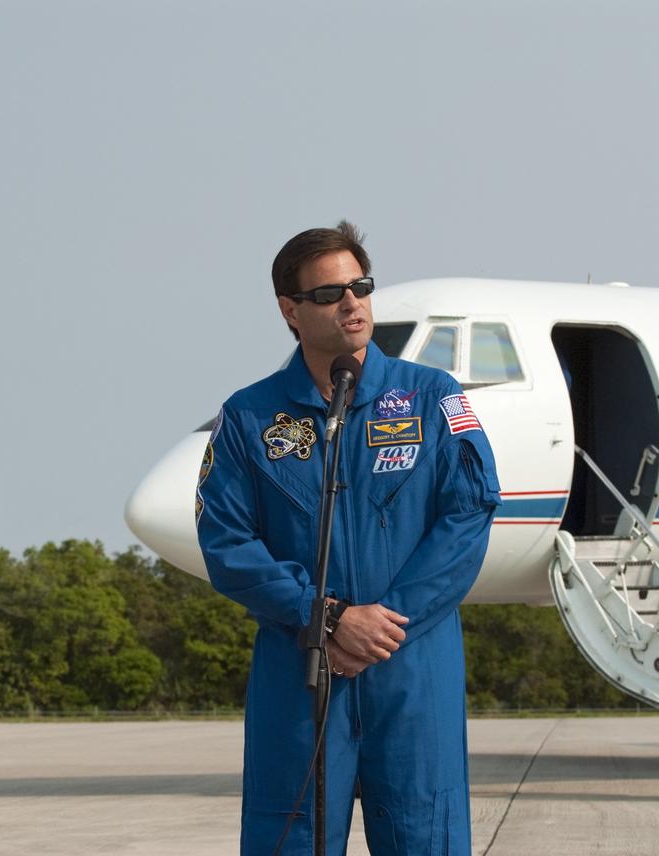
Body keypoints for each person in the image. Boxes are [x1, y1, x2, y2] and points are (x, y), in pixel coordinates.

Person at [196, 222, 500, 855]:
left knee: (428, 837)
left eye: (361, 286)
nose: (353, 303)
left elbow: (467, 518)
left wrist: (384, 626)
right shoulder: (249, 418)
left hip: (411, 665)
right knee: (292, 836)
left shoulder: (432, 398)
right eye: (331, 293)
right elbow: (227, 542)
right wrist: (328, 618)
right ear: (290, 311)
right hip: (302, 669)